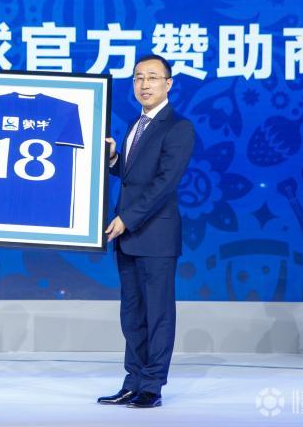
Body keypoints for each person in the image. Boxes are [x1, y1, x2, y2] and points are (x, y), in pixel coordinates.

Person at [99, 54, 195, 408]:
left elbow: (163, 184)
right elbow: (132, 176)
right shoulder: (135, 124)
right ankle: (133, 381)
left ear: (168, 84)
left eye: (152, 77)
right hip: (128, 238)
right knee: (132, 315)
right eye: (138, 77)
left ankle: (152, 386)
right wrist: (114, 159)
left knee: (157, 315)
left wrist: (126, 219)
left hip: (155, 237)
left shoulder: (178, 127)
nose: (144, 84)